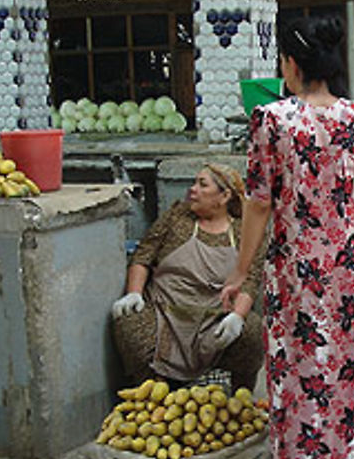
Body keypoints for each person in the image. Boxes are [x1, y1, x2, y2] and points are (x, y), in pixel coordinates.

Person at [221, 15, 354, 459]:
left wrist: (240, 272)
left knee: (301, 368)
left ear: (293, 65)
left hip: (297, 267)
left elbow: (259, 203)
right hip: (352, 265)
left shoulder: (272, 120)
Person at [111, 162, 265, 393]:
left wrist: (237, 316)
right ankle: (153, 400)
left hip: (213, 318)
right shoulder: (177, 218)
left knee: (252, 333)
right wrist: (134, 293)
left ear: (224, 197)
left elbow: (250, 279)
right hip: (164, 313)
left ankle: (240, 401)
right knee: (130, 324)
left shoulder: (244, 232)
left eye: (202, 184)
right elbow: (143, 255)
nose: (192, 189)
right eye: (194, 182)